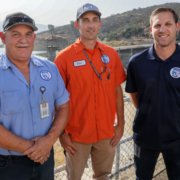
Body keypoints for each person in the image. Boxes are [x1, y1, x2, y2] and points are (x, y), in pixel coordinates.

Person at [54, 3, 126, 180]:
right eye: (85, 20)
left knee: (103, 176)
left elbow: (118, 91)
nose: (90, 25)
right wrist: (62, 134)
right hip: (76, 136)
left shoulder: (112, 54)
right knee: (74, 177)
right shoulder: (63, 58)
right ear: (77, 24)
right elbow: (56, 99)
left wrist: (121, 125)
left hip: (106, 134)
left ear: (100, 24)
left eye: (94, 20)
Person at [0, 12, 69, 180]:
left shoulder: (50, 69)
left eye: (28, 34)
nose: (23, 40)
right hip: (8, 166)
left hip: (45, 160)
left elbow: (64, 106)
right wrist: (33, 148)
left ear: (34, 37)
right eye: (15, 34)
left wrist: (48, 141)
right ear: (3, 37)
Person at [125, 7, 180, 180]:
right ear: (151, 29)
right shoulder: (137, 62)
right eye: (157, 25)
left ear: (177, 26)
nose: (162, 29)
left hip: (178, 138)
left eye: (168, 24)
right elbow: (134, 96)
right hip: (145, 137)